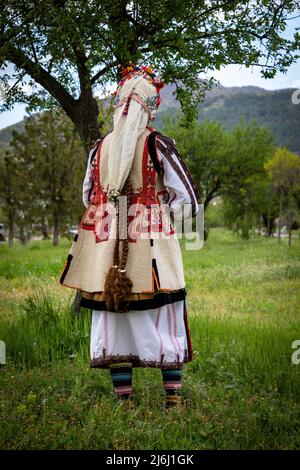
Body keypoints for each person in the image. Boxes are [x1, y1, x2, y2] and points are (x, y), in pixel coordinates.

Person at [59, 64, 200, 409]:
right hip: (151, 249)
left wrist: (114, 214)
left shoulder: (99, 149)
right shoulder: (157, 144)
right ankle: (173, 401)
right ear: (151, 108)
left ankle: (124, 403)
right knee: (163, 316)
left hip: (105, 251)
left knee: (114, 318)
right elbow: (189, 201)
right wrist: (160, 212)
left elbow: (88, 196)